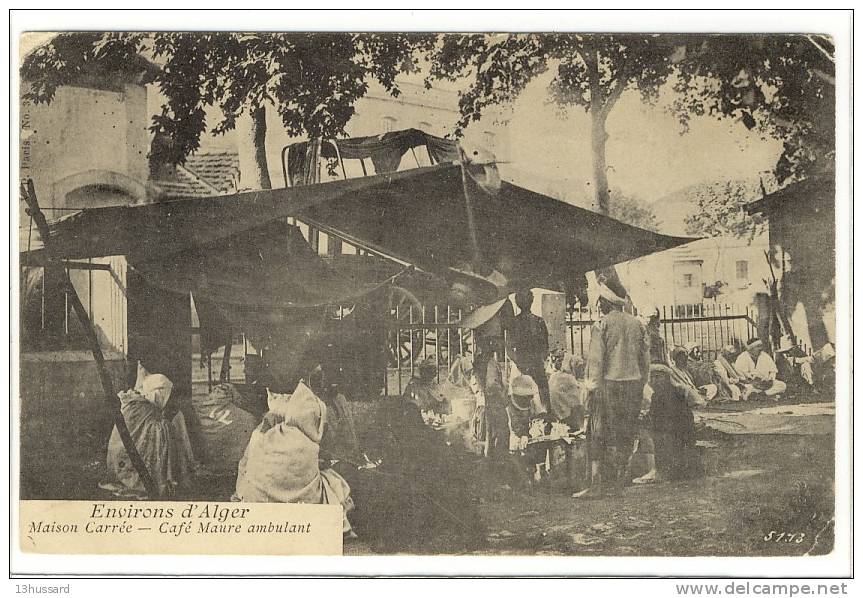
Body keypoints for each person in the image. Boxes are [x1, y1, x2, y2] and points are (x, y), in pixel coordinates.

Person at [233, 381, 355, 535]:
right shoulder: (307, 442)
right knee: (334, 482)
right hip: (301, 503)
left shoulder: (261, 434)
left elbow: (246, 467)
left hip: (259, 503)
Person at [573, 283, 650, 498]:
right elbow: (645, 360)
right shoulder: (637, 324)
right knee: (625, 433)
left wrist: (591, 389)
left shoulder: (602, 325)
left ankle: (596, 484)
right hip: (633, 385)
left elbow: (596, 362)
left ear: (606, 302)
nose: (599, 305)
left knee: (597, 433)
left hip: (609, 386)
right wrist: (641, 384)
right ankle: (618, 483)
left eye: (600, 301)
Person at [100, 367, 195, 499]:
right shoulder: (140, 407)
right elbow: (149, 431)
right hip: (129, 456)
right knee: (166, 431)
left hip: (125, 454)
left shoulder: (138, 400)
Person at [644, 354, 699, 482]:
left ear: (667, 377)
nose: (654, 381)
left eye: (658, 377)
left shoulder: (676, 393)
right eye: (652, 377)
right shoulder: (657, 396)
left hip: (676, 437)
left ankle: (664, 471)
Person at [508, 289, 551, 412]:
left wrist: (518, 362)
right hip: (535, 364)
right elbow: (545, 347)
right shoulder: (538, 321)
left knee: (522, 395)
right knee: (541, 395)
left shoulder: (514, 322)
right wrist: (541, 360)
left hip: (522, 363)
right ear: (532, 301)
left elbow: (509, 348)